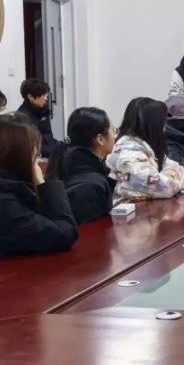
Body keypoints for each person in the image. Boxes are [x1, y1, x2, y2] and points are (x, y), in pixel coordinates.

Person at [0, 114, 78, 256]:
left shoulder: (11, 189)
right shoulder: (6, 203)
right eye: (36, 152)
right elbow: (64, 233)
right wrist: (41, 183)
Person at [107, 97, 184, 203]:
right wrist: (174, 174)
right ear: (154, 125)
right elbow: (164, 187)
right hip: (129, 211)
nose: (165, 127)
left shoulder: (142, 145)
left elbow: (176, 167)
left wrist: (175, 173)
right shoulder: (128, 153)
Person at [45, 107, 117, 224]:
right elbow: (88, 231)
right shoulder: (89, 186)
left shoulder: (73, 162)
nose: (115, 136)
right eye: (113, 131)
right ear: (100, 139)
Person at [16, 78, 59, 158]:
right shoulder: (22, 117)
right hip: (38, 153)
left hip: (49, 147)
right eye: (43, 95)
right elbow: (30, 145)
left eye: (46, 95)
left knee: (69, 142)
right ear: (30, 97)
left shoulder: (43, 111)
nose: (46, 98)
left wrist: (58, 146)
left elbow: (48, 134)